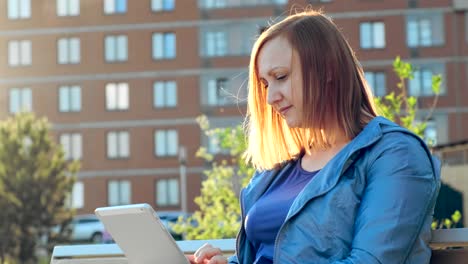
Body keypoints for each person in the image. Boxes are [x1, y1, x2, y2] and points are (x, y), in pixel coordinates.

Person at [188, 9, 441, 264]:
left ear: (328, 70)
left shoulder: (396, 154)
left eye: (281, 77)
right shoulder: (279, 168)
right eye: (266, 83)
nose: (270, 97)